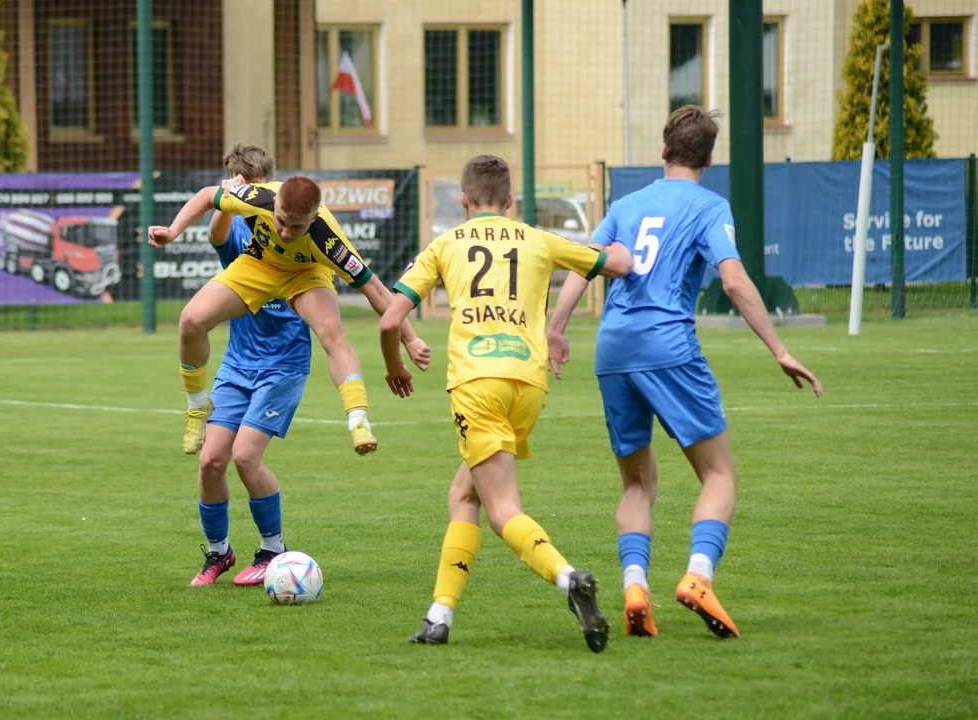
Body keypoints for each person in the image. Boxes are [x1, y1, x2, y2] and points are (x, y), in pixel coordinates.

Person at [546, 106, 823, 640]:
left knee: (638, 482)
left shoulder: (627, 204)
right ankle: (698, 577)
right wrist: (779, 348)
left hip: (613, 349)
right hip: (668, 346)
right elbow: (736, 281)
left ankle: (635, 587)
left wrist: (558, 327)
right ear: (709, 158)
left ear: (664, 150)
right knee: (719, 475)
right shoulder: (708, 206)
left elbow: (587, 260)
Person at [379, 154, 633, 653]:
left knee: (500, 508)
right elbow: (617, 265)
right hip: (529, 385)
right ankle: (439, 616)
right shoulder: (537, 237)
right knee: (464, 494)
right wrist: (620, 248)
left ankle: (568, 578)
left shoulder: (447, 243)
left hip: (477, 384)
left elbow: (390, 321)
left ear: (465, 201)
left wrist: (395, 366)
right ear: (512, 201)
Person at [147, 144, 429, 458]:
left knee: (331, 332)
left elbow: (377, 292)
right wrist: (173, 231)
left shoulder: (329, 241)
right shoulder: (257, 197)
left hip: (305, 273)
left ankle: (358, 419)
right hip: (261, 264)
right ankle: (198, 408)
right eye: (280, 220)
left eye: (296, 227)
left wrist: (411, 338)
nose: (284, 231)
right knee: (190, 320)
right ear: (275, 200)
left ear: (313, 218)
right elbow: (205, 196)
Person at [189, 147, 312, 587]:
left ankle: (272, 549)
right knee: (211, 462)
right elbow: (216, 231)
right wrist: (223, 199)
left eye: (252, 185)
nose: (245, 191)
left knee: (245, 456)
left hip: (284, 364)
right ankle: (219, 553)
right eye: (237, 183)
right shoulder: (237, 233)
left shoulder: (295, 230)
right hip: (238, 364)